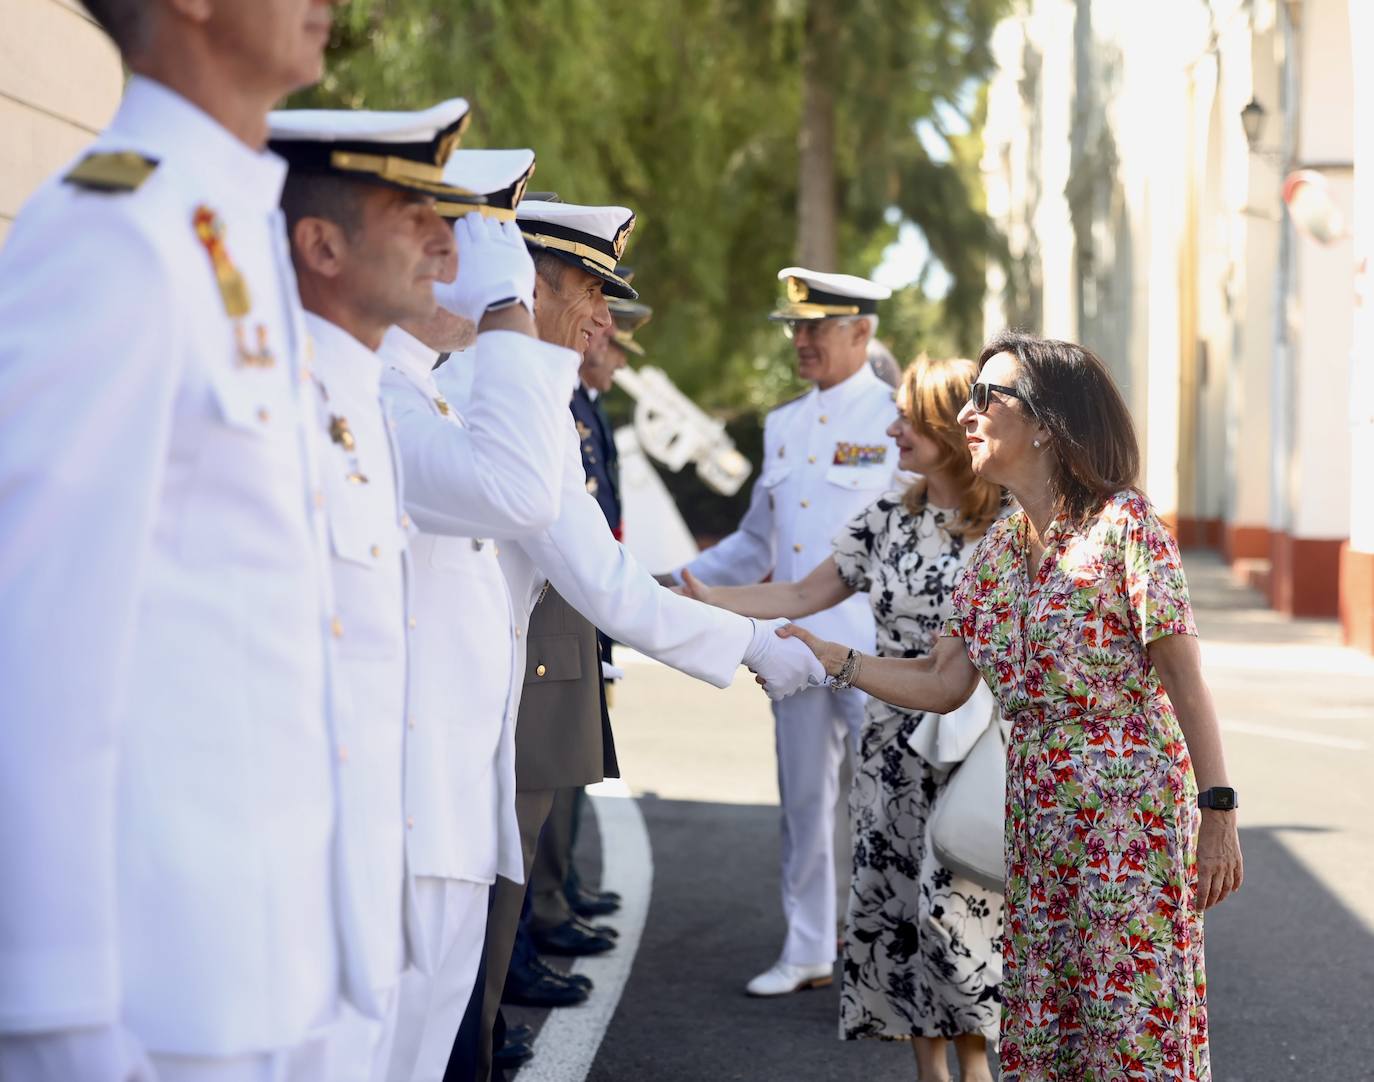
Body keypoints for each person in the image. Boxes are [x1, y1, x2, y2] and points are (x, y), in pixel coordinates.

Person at [0, 3, 356, 1080]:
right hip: (153, 1000)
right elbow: (32, 638)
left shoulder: (226, 217)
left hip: (261, 963)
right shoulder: (115, 230)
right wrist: (53, 1017)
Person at [419, 199, 825, 1080]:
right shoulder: (478, 397)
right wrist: (758, 645)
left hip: (457, 751)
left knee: (445, 1019)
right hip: (422, 759)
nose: (605, 319)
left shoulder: (515, 397)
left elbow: (608, 578)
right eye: (591, 291)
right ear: (526, 287)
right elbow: (608, 588)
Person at [780, 332, 1245, 1081]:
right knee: (1048, 1024)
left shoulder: (1125, 527)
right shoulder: (998, 547)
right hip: (1035, 823)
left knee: (1130, 1028)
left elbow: (1186, 680)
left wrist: (1217, 811)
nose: (967, 414)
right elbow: (942, 682)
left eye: (985, 396)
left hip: (1127, 825)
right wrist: (837, 661)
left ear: (1046, 425)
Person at [272, 109, 541, 1082]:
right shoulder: (330, 397)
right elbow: (519, 490)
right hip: (349, 849)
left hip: (417, 820)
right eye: (413, 214)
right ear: (323, 245)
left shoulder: (392, 393)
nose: (445, 244)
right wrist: (509, 308)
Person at [681, 355, 1005, 1080]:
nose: (892, 431)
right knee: (900, 910)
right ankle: (931, 1071)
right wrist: (704, 600)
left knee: (964, 912)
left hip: (973, 749)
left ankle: (977, 1064)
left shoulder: (1012, 527)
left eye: (908, 421)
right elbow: (802, 595)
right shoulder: (888, 517)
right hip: (892, 748)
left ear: (947, 430)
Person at [375, 148, 582, 1082]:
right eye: (462, 249)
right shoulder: (384, 397)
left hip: (452, 803)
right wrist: (505, 312)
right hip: (404, 818)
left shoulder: (423, 392)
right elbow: (522, 493)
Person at [661, 266, 900, 997]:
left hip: (875, 649)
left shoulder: (898, 419)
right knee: (802, 804)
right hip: (794, 646)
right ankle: (807, 950)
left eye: (816, 327)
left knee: (885, 803)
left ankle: (888, 959)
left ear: (861, 332)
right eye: (796, 327)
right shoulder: (784, 424)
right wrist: (675, 580)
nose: (801, 340)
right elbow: (754, 542)